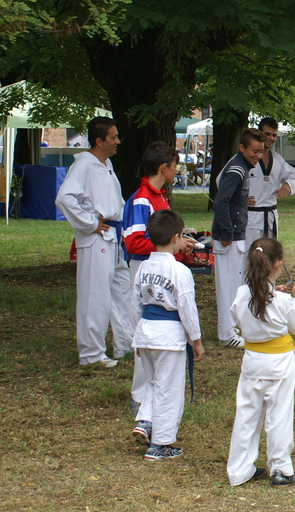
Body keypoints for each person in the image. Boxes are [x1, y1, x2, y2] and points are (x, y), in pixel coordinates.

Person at [227, 238, 295, 487]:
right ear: (278, 264)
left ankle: (239, 469)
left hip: (253, 362)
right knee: (279, 415)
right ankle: (281, 469)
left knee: (247, 415)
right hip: (279, 364)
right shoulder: (283, 301)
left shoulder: (242, 294)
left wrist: (271, 294)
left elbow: (238, 316)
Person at [123, 141, 198, 414]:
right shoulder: (143, 198)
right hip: (144, 268)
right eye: (175, 166)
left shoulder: (160, 196)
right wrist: (170, 245)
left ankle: (155, 394)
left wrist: (180, 243)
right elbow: (133, 242)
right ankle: (140, 396)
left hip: (160, 266)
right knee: (145, 330)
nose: (177, 170)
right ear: (164, 167)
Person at [55, 116, 133, 367]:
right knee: (95, 295)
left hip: (114, 235)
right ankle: (91, 353)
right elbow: (64, 198)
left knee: (122, 290)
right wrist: (89, 223)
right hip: (96, 237)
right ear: (99, 141)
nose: (118, 141)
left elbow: (115, 199)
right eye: (113, 137)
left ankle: (124, 343)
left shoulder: (106, 164)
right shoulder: (84, 165)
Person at [131, 209, 204, 461]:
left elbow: (135, 305)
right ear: (176, 238)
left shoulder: (143, 268)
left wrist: (135, 336)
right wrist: (196, 340)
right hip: (169, 337)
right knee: (169, 389)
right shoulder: (179, 271)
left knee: (154, 382)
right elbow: (187, 308)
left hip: (146, 331)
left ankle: (145, 420)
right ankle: (160, 444)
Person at [212, 129, 266, 347]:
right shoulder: (236, 169)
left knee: (235, 283)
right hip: (229, 237)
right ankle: (226, 334)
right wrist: (227, 231)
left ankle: (232, 327)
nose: (258, 155)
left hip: (235, 234)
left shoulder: (243, 168)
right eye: (254, 151)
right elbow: (220, 201)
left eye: (261, 151)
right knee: (228, 286)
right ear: (242, 148)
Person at [245, 118, 295, 241]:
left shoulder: (277, 159)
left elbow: (293, 176)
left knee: (270, 252)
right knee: (250, 251)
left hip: (270, 215)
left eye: (274, 135)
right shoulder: (246, 158)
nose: (271, 138)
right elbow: (222, 182)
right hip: (250, 215)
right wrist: (239, 198)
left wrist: (288, 185)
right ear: (260, 134)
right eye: (267, 134)